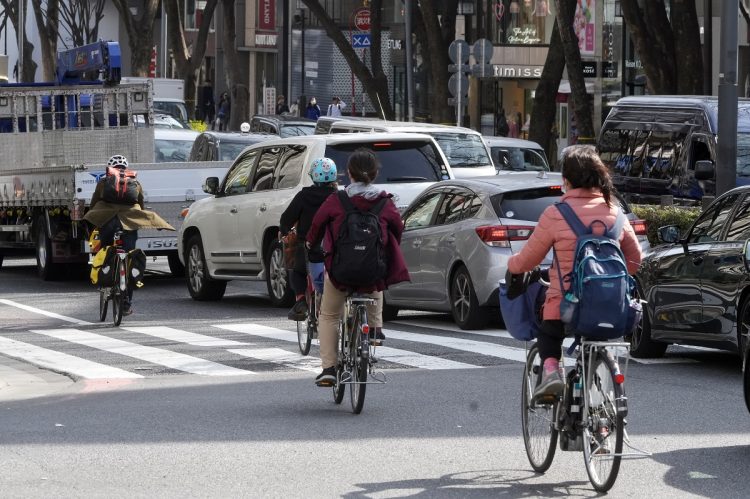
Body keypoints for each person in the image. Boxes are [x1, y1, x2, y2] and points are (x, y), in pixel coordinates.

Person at [506, 145, 642, 400]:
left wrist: (512, 266)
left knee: (549, 331)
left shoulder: (556, 214)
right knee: (599, 339)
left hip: (566, 304)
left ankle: (551, 373)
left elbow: (527, 259)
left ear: (566, 181)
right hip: (610, 306)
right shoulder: (616, 213)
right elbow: (634, 261)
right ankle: (602, 416)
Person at [306, 148, 410, 387]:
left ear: (348, 174)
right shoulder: (385, 202)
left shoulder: (336, 200)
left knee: (329, 315)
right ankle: (374, 329)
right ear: (374, 174)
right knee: (375, 282)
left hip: (340, 271)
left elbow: (316, 226)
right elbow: (398, 229)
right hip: (371, 272)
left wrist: (311, 245)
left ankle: (329, 369)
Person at [83, 155, 174, 315]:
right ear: (126, 168)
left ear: (110, 168)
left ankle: (105, 282)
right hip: (130, 221)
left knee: (105, 252)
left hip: (108, 220)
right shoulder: (135, 182)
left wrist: (94, 221)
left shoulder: (104, 182)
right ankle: (126, 303)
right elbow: (140, 204)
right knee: (129, 257)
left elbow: (94, 203)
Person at [279, 158, 339, 321]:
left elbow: (286, 219)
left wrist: (284, 231)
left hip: (308, 246)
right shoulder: (339, 196)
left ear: (313, 176)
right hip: (334, 246)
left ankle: (300, 301)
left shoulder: (304, 195)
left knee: (296, 270)